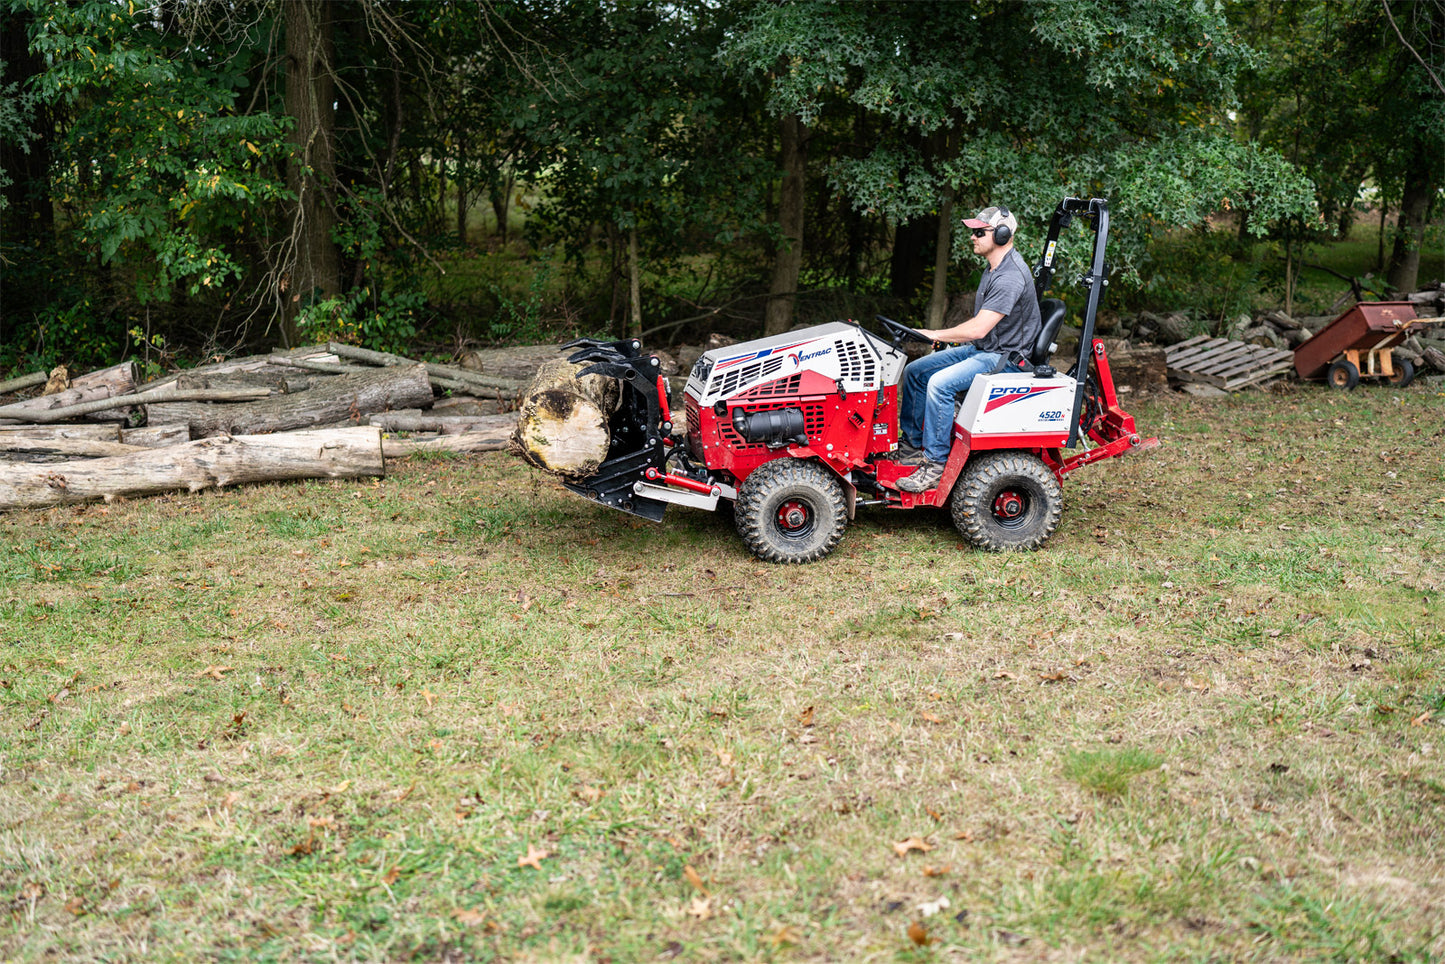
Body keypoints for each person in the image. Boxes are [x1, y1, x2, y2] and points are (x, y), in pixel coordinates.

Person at [895, 204, 1042, 493]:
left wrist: (934, 334)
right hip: (984, 348)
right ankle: (912, 446)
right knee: (915, 371)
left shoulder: (1010, 276)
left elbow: (978, 329)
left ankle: (934, 464)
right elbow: (980, 327)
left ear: (1001, 235)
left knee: (939, 384)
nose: (972, 237)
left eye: (979, 232)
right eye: (972, 231)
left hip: (1005, 358)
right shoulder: (993, 269)